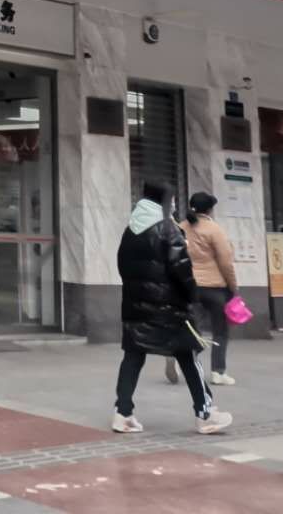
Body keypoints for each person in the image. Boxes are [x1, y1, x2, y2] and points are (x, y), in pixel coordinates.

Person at [113, 181, 233, 435]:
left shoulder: (130, 230)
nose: (176, 205)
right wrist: (191, 297)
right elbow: (182, 270)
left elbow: (122, 265)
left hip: (135, 306)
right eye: (173, 200)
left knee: (133, 357)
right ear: (165, 201)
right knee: (188, 357)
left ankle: (122, 414)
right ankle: (205, 414)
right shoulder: (168, 229)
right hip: (170, 309)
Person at [167, 192, 240, 386]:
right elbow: (225, 262)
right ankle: (218, 372)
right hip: (214, 287)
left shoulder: (180, 228)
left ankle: (178, 356)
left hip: (188, 286)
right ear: (209, 209)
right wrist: (233, 286)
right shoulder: (214, 229)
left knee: (192, 328)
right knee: (220, 330)